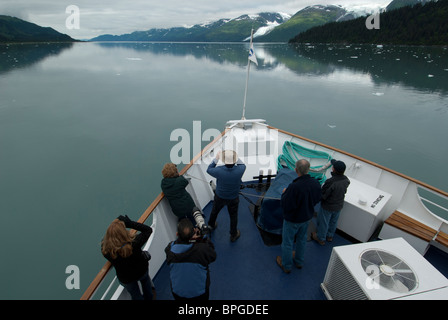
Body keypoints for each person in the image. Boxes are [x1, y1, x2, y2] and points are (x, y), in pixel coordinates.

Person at [276, 159, 321, 273]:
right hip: (306, 218)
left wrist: (285, 193)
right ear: (308, 169)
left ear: (296, 170)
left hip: (292, 220)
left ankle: (286, 265)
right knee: (301, 239)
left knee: (287, 242)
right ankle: (299, 261)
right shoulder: (316, 183)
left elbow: (286, 204)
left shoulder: (294, 187)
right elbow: (316, 199)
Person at [101, 215, 154, 300]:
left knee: (135, 295)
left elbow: (103, 243)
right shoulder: (135, 243)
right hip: (141, 270)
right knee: (146, 283)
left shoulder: (108, 252)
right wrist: (129, 223)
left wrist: (111, 233)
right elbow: (148, 230)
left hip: (126, 279)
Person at [165, 218, 217, 300]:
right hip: (199, 293)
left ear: (177, 234)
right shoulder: (202, 249)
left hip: (178, 293)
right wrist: (203, 238)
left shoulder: (169, 250)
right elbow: (213, 256)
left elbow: (174, 245)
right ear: (193, 233)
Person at [206, 150, 246, 242]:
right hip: (233, 198)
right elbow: (241, 163)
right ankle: (233, 234)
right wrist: (235, 155)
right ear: (235, 160)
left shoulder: (218, 170)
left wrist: (216, 158)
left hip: (220, 197)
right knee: (233, 216)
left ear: (223, 161)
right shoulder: (241, 169)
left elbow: (209, 169)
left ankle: (211, 225)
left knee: (214, 211)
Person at [312, 159, 350, 245]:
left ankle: (320, 238)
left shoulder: (330, 182)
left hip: (328, 206)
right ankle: (329, 236)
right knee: (333, 221)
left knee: (324, 222)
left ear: (333, 169)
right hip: (339, 205)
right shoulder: (346, 180)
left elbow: (323, 195)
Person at [161, 163, 206, 232]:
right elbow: (185, 181)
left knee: (183, 219)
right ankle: (199, 229)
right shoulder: (179, 181)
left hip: (177, 210)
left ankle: (186, 231)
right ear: (175, 172)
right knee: (194, 219)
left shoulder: (163, 183)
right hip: (188, 206)